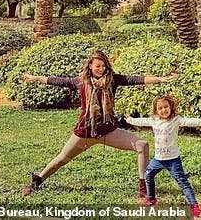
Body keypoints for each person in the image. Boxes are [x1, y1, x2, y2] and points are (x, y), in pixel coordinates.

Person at [21, 49, 175, 200]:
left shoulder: (112, 80)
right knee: (61, 159)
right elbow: (58, 81)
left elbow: (135, 79)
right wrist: (35, 78)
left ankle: (144, 188)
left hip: (108, 131)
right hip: (85, 132)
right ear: (90, 66)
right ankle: (37, 180)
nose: (101, 69)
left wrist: (160, 79)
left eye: (104, 66)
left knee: (142, 145)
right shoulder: (80, 82)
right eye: (98, 66)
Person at [126, 95, 201, 218]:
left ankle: (195, 207)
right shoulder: (154, 120)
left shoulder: (176, 119)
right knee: (148, 174)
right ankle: (151, 199)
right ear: (156, 110)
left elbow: (189, 121)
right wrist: (129, 119)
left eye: (166, 107)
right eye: (160, 108)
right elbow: (141, 121)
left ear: (170, 107)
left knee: (183, 183)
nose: (164, 110)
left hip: (173, 160)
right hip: (158, 159)